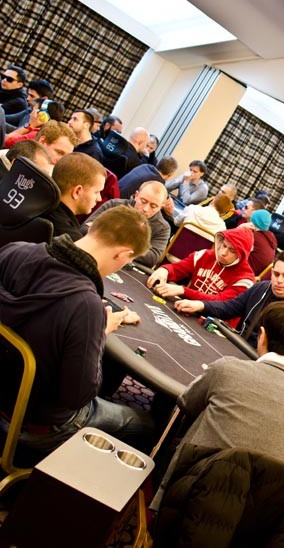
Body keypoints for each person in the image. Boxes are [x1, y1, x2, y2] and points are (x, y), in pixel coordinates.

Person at [0, 205, 154, 459]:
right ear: (123, 254)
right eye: (128, 261)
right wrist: (101, 332)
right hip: (31, 424)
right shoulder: (86, 306)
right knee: (144, 424)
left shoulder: (14, 250)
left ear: (92, 228)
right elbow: (77, 397)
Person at [151, 301, 284, 509]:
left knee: (167, 438)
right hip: (245, 511)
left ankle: (147, 502)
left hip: (188, 493)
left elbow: (187, 403)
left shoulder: (227, 368)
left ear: (262, 335)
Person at [175, 250, 284, 346]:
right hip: (238, 346)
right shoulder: (262, 287)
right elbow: (230, 307)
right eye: (276, 274)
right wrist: (200, 305)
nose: (279, 280)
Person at [146, 226, 255, 304]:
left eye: (232, 250)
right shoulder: (205, 255)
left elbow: (221, 303)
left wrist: (183, 290)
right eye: (224, 245)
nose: (223, 253)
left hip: (214, 324)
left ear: (241, 255)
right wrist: (165, 270)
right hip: (186, 308)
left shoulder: (245, 280)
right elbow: (177, 269)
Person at [83, 181, 170, 267]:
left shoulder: (162, 228)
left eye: (153, 206)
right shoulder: (114, 205)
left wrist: (111, 239)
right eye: (143, 201)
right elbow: (84, 228)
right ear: (136, 195)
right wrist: (132, 249)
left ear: (161, 207)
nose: (146, 209)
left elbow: (153, 258)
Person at [43, 153, 107, 240]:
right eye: (96, 192)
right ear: (77, 191)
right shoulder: (70, 240)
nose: (99, 199)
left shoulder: (34, 202)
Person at [241, 208, 277, 274]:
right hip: (255, 275)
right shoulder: (268, 237)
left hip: (243, 272)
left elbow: (228, 240)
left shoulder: (253, 236)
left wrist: (240, 227)